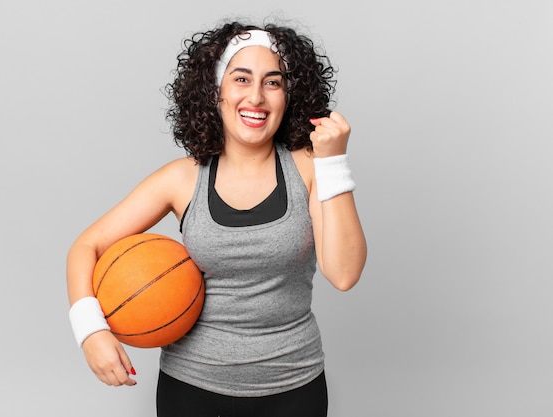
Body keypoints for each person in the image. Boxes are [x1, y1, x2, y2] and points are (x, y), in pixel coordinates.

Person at [66, 20, 367, 417]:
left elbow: (344, 274)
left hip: (294, 385)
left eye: (273, 82)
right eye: (241, 79)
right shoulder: (182, 178)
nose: (256, 97)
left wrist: (334, 161)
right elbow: (86, 246)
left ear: (289, 95)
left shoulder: (309, 168)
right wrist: (91, 331)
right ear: (216, 90)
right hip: (191, 388)